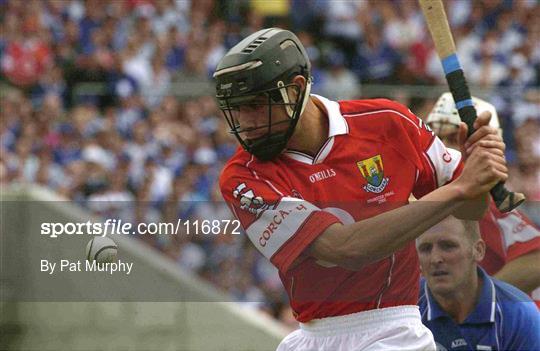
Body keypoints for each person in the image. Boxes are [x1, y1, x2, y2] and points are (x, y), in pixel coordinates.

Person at [214, 28, 508, 350]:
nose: (246, 121)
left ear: (295, 89)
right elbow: (346, 250)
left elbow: (472, 209)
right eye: (237, 109)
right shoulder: (243, 177)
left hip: (394, 333)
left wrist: (475, 176)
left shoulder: (388, 121)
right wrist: (461, 187)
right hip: (312, 336)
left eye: (255, 104)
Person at [426, 93, 540, 305]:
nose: (442, 146)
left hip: (507, 332)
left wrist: (472, 302)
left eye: (453, 138)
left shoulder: (484, 202)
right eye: (434, 137)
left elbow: (536, 261)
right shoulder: (431, 199)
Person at [417, 215, 540, 350]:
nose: (435, 259)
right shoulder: (405, 306)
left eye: (448, 246)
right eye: (425, 249)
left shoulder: (520, 316)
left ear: (478, 250)